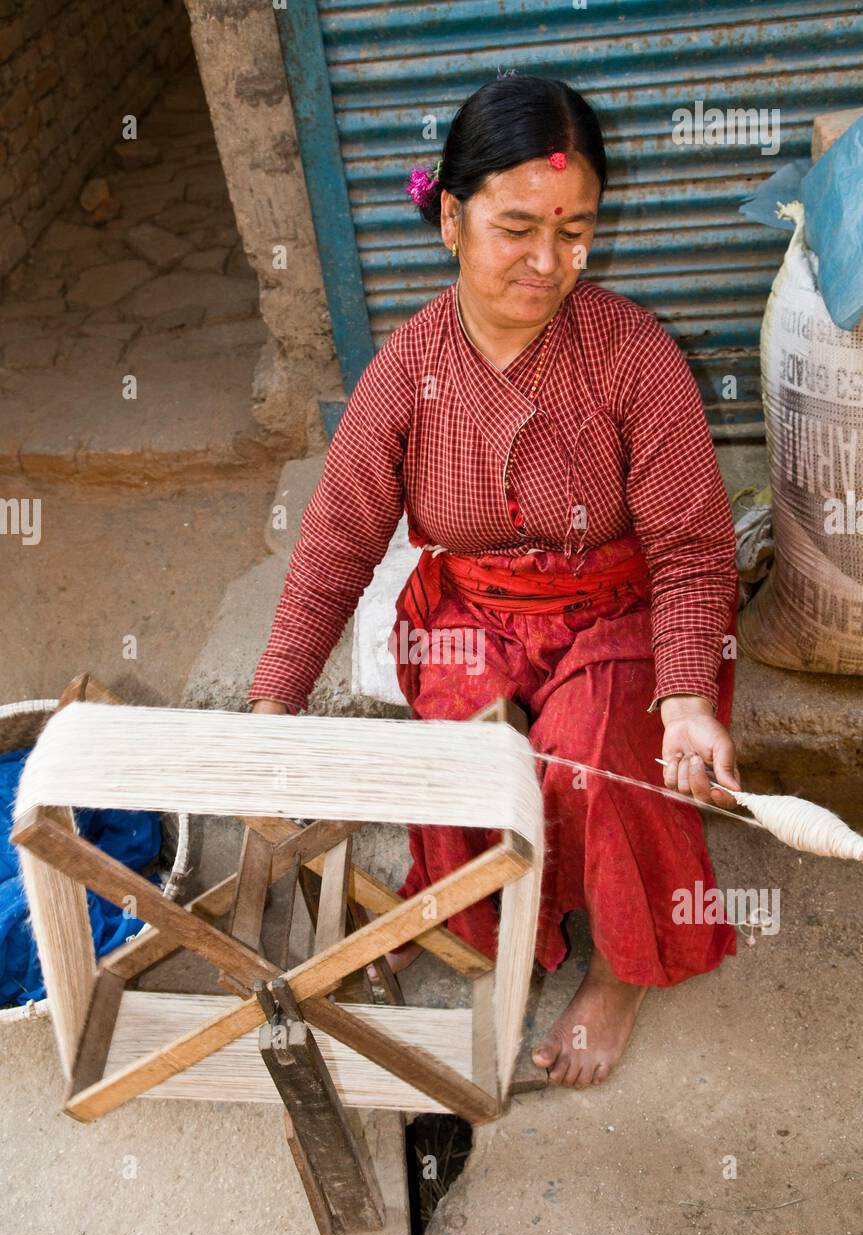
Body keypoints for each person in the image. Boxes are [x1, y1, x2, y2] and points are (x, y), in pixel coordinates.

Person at [248, 74, 741, 1090]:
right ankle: (477, 919)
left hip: (614, 608)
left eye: (574, 232)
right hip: (476, 612)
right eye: (516, 227)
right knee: (464, 742)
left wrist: (687, 694)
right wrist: (271, 705)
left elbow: (691, 548)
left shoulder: (630, 354)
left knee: (587, 752)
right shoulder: (405, 372)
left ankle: (621, 963)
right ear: (448, 217)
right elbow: (336, 544)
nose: (546, 262)